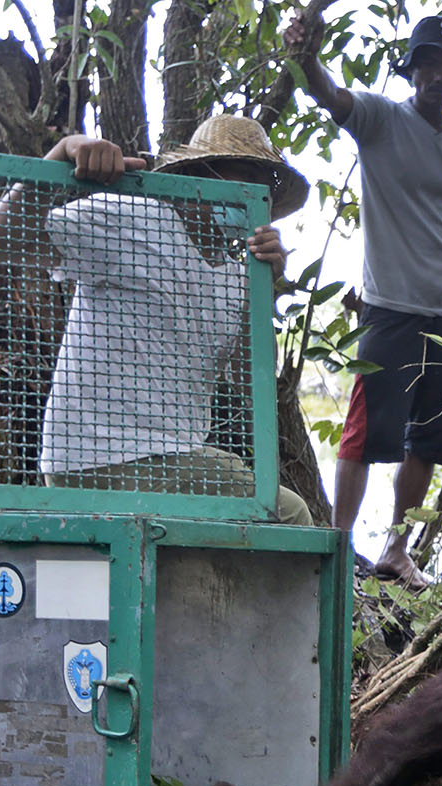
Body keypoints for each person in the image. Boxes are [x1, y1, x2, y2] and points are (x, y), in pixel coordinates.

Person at [16, 117, 313, 525]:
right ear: (199, 175)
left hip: (170, 460)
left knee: (254, 502)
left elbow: (249, 384)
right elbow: (4, 240)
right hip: (100, 456)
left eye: (261, 184)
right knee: (290, 516)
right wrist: (64, 149)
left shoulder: (236, 270)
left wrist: (266, 287)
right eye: (242, 176)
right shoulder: (131, 219)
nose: (251, 192)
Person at [283, 12, 442, 589]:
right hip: (391, 306)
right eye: (430, 64)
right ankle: (339, 543)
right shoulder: (379, 119)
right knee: (366, 432)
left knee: (429, 436)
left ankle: (397, 549)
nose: (440, 76)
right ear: (413, 70)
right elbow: (325, 91)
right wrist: (306, 55)